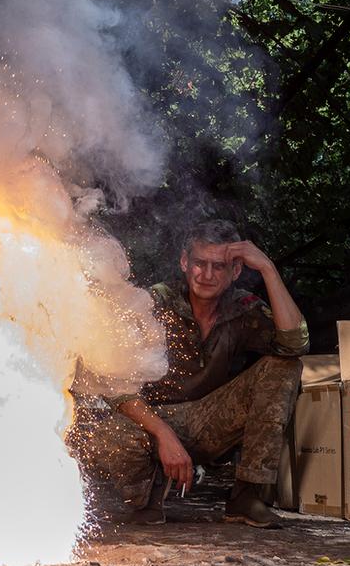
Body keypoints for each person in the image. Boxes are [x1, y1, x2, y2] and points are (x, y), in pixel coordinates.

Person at [72, 219, 308, 528]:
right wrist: (163, 434)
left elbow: (295, 344)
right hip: (152, 421)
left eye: (219, 266)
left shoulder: (242, 308)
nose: (207, 275)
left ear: (235, 271)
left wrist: (267, 269)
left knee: (284, 365)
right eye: (200, 263)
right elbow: (114, 381)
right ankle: (147, 498)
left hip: (209, 419)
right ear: (185, 262)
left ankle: (247, 495)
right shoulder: (155, 303)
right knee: (102, 433)